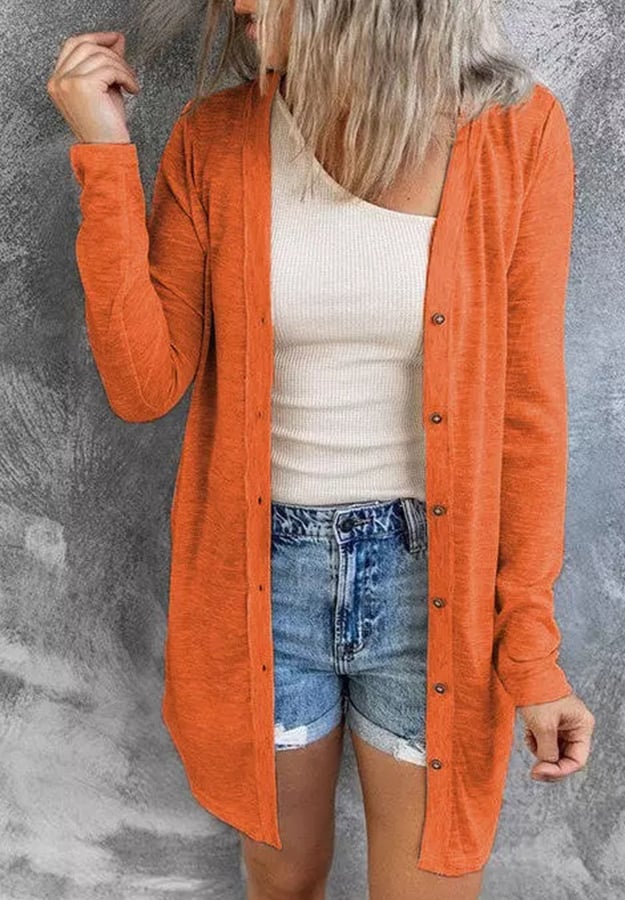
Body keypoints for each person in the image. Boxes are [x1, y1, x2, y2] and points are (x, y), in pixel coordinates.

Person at [48, 2, 595, 897]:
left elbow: (529, 413)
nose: (235, 5)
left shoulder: (515, 133)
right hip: (262, 584)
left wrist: (529, 652)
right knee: (283, 880)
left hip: (435, 591)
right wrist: (105, 157)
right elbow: (143, 385)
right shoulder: (216, 138)